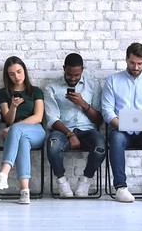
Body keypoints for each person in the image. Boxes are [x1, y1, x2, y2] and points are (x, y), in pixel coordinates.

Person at [101, 42, 142, 203]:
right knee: (115, 138)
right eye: (132, 63)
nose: (135, 67)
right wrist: (120, 124)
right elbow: (107, 110)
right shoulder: (113, 81)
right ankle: (121, 188)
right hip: (121, 130)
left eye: (139, 63)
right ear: (126, 59)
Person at [44, 53, 105, 198]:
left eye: (76, 75)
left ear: (82, 70)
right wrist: (70, 134)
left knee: (100, 148)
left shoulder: (93, 85)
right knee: (53, 147)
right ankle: (62, 182)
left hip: (88, 130)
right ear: (64, 68)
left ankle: (85, 181)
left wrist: (83, 104)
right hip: (62, 130)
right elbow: (51, 118)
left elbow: (99, 120)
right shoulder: (51, 87)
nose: (73, 78)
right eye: (69, 74)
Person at [0, 56, 46, 204]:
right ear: (7, 76)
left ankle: (3, 174)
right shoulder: (3, 93)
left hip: (35, 131)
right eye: (12, 74)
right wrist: (13, 106)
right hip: (16, 135)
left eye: (19, 72)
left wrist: (15, 127)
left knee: (17, 130)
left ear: (24, 71)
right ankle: (25, 192)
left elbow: (38, 117)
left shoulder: (35, 91)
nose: (17, 76)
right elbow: (8, 120)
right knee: (22, 141)